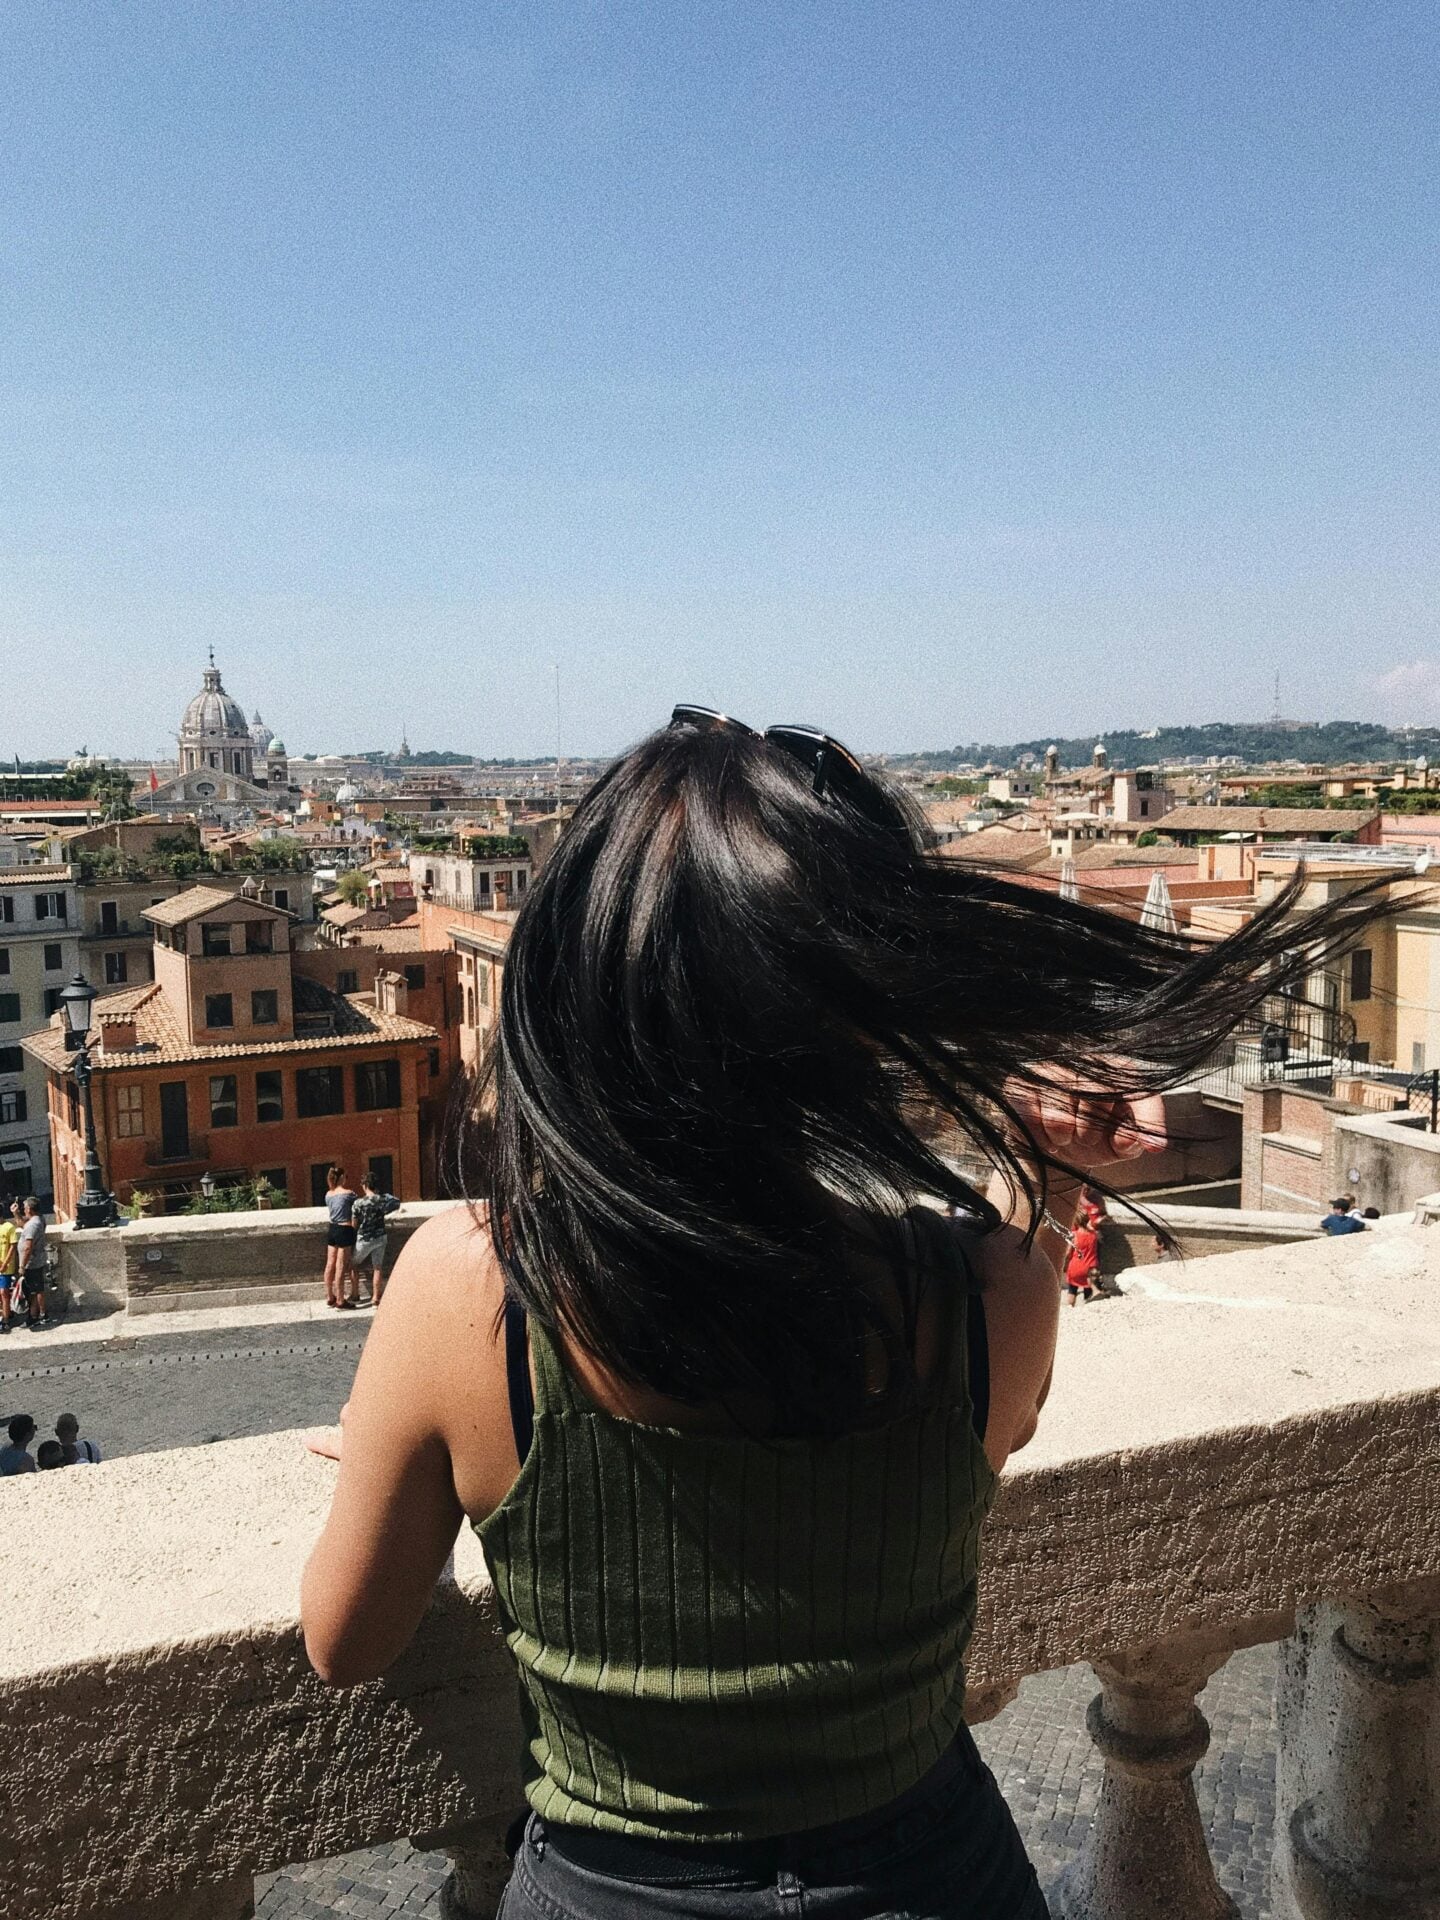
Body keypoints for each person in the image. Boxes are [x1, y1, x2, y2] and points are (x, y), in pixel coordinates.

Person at [300, 711, 1394, 1919]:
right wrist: (1042, 1183)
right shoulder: (993, 1296)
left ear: (572, 990)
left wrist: (405, 1445)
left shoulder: (465, 1290)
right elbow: (972, 1423)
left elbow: (346, 1642)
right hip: (940, 1877)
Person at [351, 1175, 401, 1308]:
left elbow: (354, 1224)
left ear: (365, 1185)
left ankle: (355, 1295)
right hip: (380, 1237)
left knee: (353, 1264)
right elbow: (396, 1201)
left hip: (364, 1239)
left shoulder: (358, 1203)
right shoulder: (382, 1200)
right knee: (377, 1267)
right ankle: (376, 1298)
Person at [322, 1166, 358, 1308]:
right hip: (345, 1229)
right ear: (342, 1177)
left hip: (332, 1229)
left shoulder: (328, 1195)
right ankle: (341, 1300)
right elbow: (357, 1207)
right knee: (340, 1266)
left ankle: (329, 1296)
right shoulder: (349, 1194)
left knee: (329, 1264)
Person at [17, 1197, 48, 1329]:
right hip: (37, 1260)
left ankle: (38, 1315)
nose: (24, 1210)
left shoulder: (32, 1225)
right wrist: (15, 1213)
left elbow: (28, 1247)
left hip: (31, 1263)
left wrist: (22, 1265)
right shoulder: (39, 1219)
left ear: (29, 1209)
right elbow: (22, 1224)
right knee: (36, 1290)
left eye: (24, 1208)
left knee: (33, 1291)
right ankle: (38, 1315)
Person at [1063, 1207, 1101, 1305]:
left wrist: (1065, 1265)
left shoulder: (1074, 1235)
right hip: (1090, 1268)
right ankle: (1087, 1306)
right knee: (1088, 1293)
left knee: (1072, 1291)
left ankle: (1071, 1308)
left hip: (1075, 1267)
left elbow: (1068, 1253)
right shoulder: (1094, 1234)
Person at [0, 1202, 17, 1334]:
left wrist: (5, 1263)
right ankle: (6, 1312)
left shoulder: (9, 1227)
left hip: (6, 1267)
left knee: (4, 1292)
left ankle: (5, 1320)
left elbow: (12, 1246)